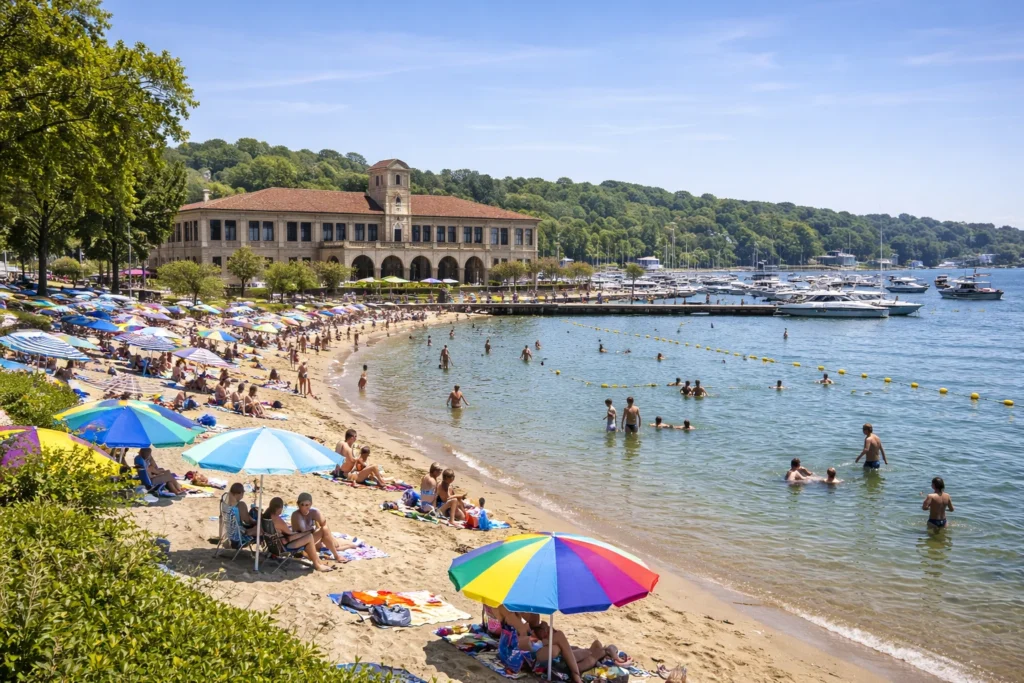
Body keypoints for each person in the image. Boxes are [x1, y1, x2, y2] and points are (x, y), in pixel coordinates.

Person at [264, 497, 337, 572]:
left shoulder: (266, 516)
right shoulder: (278, 520)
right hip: (283, 547)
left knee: (308, 539)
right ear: (279, 508)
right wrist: (304, 533)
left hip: (273, 546)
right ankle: (317, 565)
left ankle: (318, 562)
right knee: (309, 537)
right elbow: (290, 534)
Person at [291, 492, 355, 562]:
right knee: (325, 538)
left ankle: (347, 547)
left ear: (311, 504)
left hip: (311, 538)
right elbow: (304, 531)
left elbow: (324, 523)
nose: (304, 507)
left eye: (307, 505)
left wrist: (331, 537)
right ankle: (337, 556)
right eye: (302, 505)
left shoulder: (313, 512)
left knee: (328, 540)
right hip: (301, 541)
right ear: (298, 504)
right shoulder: (296, 515)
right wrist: (319, 532)